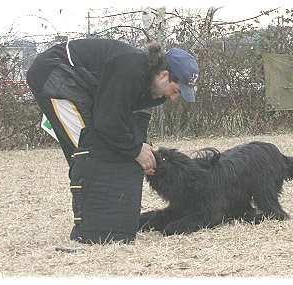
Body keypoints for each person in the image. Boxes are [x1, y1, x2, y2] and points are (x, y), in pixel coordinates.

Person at [26, 38, 199, 244]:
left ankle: (106, 225)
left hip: (79, 83)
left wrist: (139, 149)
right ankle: (92, 230)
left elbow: (122, 121)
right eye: (177, 90)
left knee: (103, 146)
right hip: (55, 75)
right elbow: (108, 121)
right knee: (87, 150)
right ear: (163, 75)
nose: (173, 99)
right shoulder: (131, 69)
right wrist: (135, 149)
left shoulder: (150, 88)